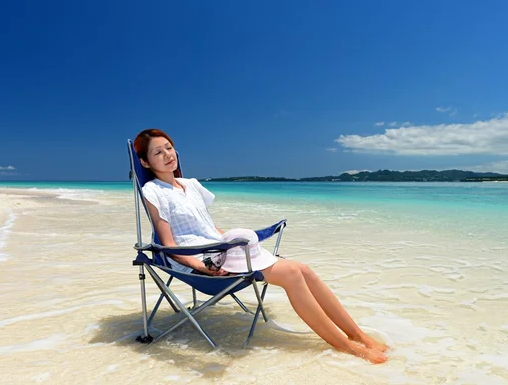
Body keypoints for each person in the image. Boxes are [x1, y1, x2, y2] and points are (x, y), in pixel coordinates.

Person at [133, 129, 389, 364]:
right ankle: (344, 345)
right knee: (291, 274)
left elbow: (208, 227)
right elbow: (169, 244)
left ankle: (357, 334)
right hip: (201, 261)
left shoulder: (192, 184)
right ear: (145, 162)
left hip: (222, 250)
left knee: (303, 269)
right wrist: (201, 266)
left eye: (169, 147)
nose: (167, 155)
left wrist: (240, 237)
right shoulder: (153, 191)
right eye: (158, 152)